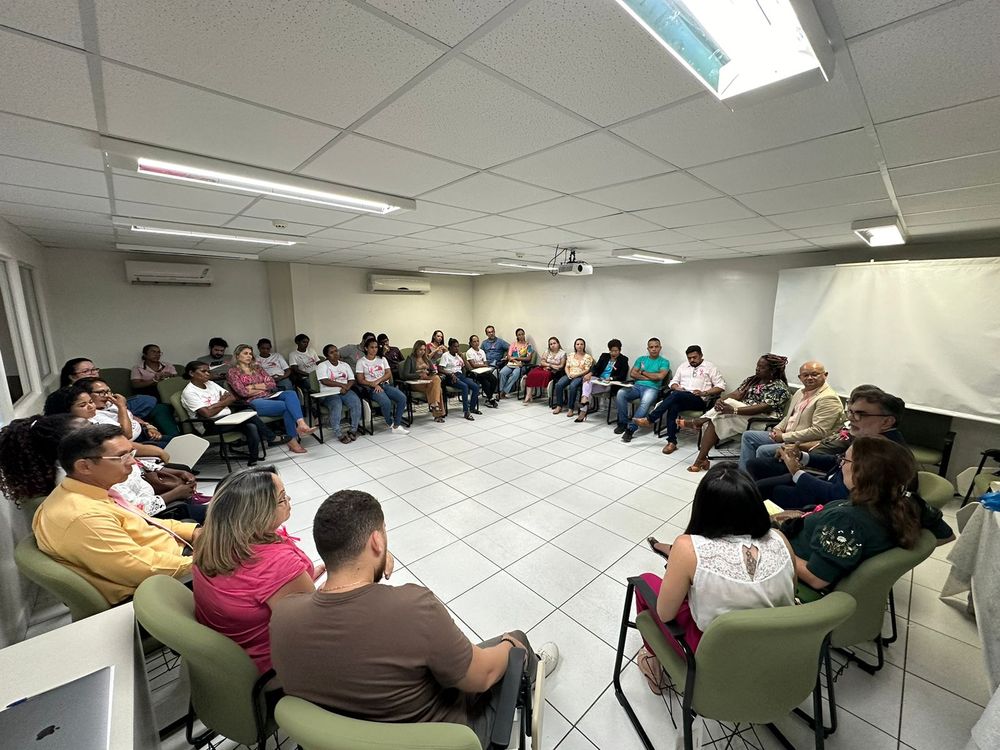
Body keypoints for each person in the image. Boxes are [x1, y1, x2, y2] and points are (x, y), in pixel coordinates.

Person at [269, 490, 558, 749]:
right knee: (515, 644)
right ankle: (531, 671)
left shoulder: (283, 618)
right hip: (443, 735)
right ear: (377, 541)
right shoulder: (414, 607)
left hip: (341, 735)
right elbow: (480, 678)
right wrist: (510, 645)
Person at [634, 464, 795, 693]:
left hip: (716, 657)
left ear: (703, 508)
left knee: (645, 582)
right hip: (778, 650)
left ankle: (652, 659)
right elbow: (792, 590)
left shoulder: (687, 547)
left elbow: (665, 614)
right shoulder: (780, 539)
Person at [32, 424, 200, 604]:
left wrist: (194, 532)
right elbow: (142, 569)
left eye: (131, 453)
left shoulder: (89, 491)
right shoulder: (83, 517)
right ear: (85, 466)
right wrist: (203, 561)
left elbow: (147, 523)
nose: (133, 462)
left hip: (170, 555)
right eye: (121, 456)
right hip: (161, 586)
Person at [782, 437, 954, 593]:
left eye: (845, 460)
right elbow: (946, 535)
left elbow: (817, 579)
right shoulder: (910, 502)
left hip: (792, 579)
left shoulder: (847, 521)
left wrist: (779, 546)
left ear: (862, 472)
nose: (840, 465)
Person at [194, 467, 323, 674]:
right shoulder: (277, 565)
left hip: (231, 655)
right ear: (256, 515)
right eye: (281, 499)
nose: (289, 500)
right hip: (275, 668)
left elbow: (263, 589)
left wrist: (305, 577)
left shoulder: (209, 539)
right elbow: (314, 629)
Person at [0, 414, 205, 522]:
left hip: (157, 502)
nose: (97, 430)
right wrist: (176, 493)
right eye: (88, 430)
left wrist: (166, 471)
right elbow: (131, 511)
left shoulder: (96, 460)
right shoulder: (80, 478)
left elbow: (134, 465)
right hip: (159, 516)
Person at [749, 386, 907, 508]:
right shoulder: (870, 439)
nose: (851, 419)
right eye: (850, 412)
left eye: (860, 414)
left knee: (765, 490)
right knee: (757, 480)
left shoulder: (886, 454)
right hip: (825, 481)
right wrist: (801, 456)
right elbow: (838, 461)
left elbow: (841, 496)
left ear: (887, 422)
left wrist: (797, 471)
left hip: (829, 504)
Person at [681, 354, 789, 471]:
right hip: (744, 416)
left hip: (762, 421)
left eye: (762, 367)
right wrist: (720, 400)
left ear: (772, 370)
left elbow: (762, 408)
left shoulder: (779, 387)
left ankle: (700, 421)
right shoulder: (752, 380)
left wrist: (734, 410)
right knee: (716, 418)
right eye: (757, 365)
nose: (757, 368)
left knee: (729, 405)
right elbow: (736, 394)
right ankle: (701, 459)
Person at [737, 361, 844, 470]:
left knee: (763, 450)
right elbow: (788, 417)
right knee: (748, 436)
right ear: (800, 377)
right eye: (805, 375)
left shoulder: (828, 398)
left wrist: (783, 437)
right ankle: (744, 477)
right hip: (787, 435)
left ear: (825, 375)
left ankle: (759, 481)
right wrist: (778, 429)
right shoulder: (800, 392)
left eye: (815, 374)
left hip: (803, 443)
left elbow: (819, 431)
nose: (810, 378)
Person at [181, 361, 280, 466]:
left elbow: (232, 397)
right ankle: (271, 437)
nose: (207, 374)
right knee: (250, 417)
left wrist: (216, 405)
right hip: (209, 425)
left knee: (251, 426)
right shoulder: (189, 392)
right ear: (191, 373)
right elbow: (207, 414)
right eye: (203, 371)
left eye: (208, 371)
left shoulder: (210, 383)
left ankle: (253, 459)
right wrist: (223, 403)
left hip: (226, 419)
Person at [631, 345, 726, 454]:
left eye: (694, 357)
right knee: (673, 404)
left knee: (676, 396)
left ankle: (651, 419)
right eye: (689, 358)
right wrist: (676, 386)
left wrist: (705, 392)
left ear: (701, 355)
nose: (692, 360)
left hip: (699, 399)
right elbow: (673, 382)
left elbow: (721, 386)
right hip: (681, 395)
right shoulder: (683, 366)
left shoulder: (710, 367)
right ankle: (672, 442)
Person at [44, 385, 170, 462]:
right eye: (83, 405)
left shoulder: (91, 419)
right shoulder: (76, 431)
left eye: (90, 402)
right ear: (65, 411)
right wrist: (157, 451)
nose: (91, 407)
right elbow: (122, 443)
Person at [226, 345, 315, 454]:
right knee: (287, 407)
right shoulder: (233, 372)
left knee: (290, 393)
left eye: (250, 353)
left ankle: (301, 424)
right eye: (245, 353)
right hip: (253, 401)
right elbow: (243, 392)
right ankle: (293, 440)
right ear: (237, 356)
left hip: (269, 395)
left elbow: (272, 383)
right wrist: (261, 386)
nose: (249, 356)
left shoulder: (257, 367)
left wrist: (252, 387)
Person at [78, 377, 179, 445]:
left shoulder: (109, 404)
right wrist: (122, 406)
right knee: (179, 448)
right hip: (135, 443)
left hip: (145, 433)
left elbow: (131, 417)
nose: (107, 396)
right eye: (101, 393)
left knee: (181, 442)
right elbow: (127, 435)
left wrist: (148, 426)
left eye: (108, 391)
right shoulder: (92, 415)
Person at [60, 357, 157, 418]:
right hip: (107, 414)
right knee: (147, 401)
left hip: (114, 407)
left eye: (94, 369)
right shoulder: (72, 394)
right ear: (72, 376)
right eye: (86, 371)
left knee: (158, 406)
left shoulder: (97, 383)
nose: (93, 373)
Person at [615, 338, 671, 442]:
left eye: (656, 347)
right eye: (651, 347)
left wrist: (643, 372)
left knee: (645, 402)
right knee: (621, 393)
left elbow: (660, 377)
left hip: (653, 388)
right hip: (636, 387)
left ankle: (630, 429)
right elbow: (632, 374)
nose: (654, 349)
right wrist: (651, 377)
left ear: (660, 348)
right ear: (648, 348)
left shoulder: (664, 362)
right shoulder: (641, 359)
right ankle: (622, 423)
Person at [355, 338, 409, 434]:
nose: (374, 349)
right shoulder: (361, 362)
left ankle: (396, 425)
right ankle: (390, 422)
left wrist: (377, 382)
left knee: (402, 398)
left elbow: (388, 373)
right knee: (386, 402)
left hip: (384, 385)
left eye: (376, 347)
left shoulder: (382, 359)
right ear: (366, 348)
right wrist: (373, 384)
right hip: (370, 388)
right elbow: (360, 380)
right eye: (372, 347)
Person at [316, 345, 363, 443]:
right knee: (336, 404)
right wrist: (343, 385)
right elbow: (325, 381)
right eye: (331, 352)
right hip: (328, 393)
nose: (335, 353)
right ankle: (338, 433)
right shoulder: (322, 365)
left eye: (336, 351)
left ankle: (353, 430)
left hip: (345, 391)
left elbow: (351, 379)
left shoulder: (344, 365)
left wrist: (347, 387)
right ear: (326, 356)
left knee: (356, 402)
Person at [575, 339, 629, 423]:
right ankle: (585, 401)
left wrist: (611, 378)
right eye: (612, 351)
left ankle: (583, 410)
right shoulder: (604, 356)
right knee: (586, 380)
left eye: (616, 351)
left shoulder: (623, 360)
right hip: (599, 380)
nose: (614, 353)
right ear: (609, 350)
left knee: (586, 390)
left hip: (609, 384)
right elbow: (596, 367)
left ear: (620, 350)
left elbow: (622, 376)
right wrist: (590, 374)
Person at [400, 340, 445, 423]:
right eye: (420, 349)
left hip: (427, 381)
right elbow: (405, 375)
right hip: (416, 383)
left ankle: (434, 405)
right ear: (416, 349)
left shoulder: (426, 358)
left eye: (424, 350)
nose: (422, 352)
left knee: (436, 378)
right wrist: (419, 375)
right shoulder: (410, 359)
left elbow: (433, 370)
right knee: (439, 389)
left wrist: (429, 372)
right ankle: (438, 414)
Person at [439, 338, 481, 421]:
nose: (457, 348)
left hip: (460, 375)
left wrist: (462, 357)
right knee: (465, 387)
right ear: (449, 347)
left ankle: (472, 408)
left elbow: (468, 368)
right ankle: (466, 411)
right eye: (455, 347)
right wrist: (450, 374)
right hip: (450, 377)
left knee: (476, 386)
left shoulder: (458, 356)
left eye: (458, 347)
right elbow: (440, 369)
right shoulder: (446, 356)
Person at [552, 339, 594, 416]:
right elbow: (566, 367)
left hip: (580, 376)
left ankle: (570, 408)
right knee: (559, 384)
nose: (579, 346)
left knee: (573, 386)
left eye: (581, 344)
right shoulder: (571, 355)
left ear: (584, 346)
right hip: (570, 374)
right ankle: (559, 406)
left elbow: (587, 370)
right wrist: (568, 374)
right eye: (577, 344)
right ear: (575, 346)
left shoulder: (588, 357)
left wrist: (576, 375)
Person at [523, 337, 566, 405]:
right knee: (531, 374)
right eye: (551, 344)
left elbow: (561, 365)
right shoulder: (547, 351)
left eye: (554, 343)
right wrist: (550, 365)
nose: (552, 345)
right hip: (544, 367)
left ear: (558, 343)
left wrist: (551, 367)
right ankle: (528, 395)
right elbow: (542, 362)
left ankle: (543, 394)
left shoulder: (562, 353)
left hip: (554, 371)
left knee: (546, 375)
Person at [497, 329, 533, 399]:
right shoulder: (513, 344)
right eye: (519, 335)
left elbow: (528, 358)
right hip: (512, 364)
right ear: (517, 336)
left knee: (515, 374)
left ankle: (503, 392)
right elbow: (509, 356)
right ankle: (500, 391)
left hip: (521, 365)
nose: (521, 336)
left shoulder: (528, 345)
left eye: (522, 334)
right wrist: (515, 360)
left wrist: (515, 358)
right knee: (502, 372)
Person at [465, 335, 498, 407]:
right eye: (474, 341)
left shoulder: (482, 351)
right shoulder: (469, 352)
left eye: (477, 341)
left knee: (494, 380)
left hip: (484, 371)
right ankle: (490, 399)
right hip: (475, 372)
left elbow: (485, 363)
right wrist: (483, 365)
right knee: (485, 382)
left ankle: (489, 398)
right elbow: (473, 365)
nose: (476, 343)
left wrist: (483, 365)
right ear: (470, 343)